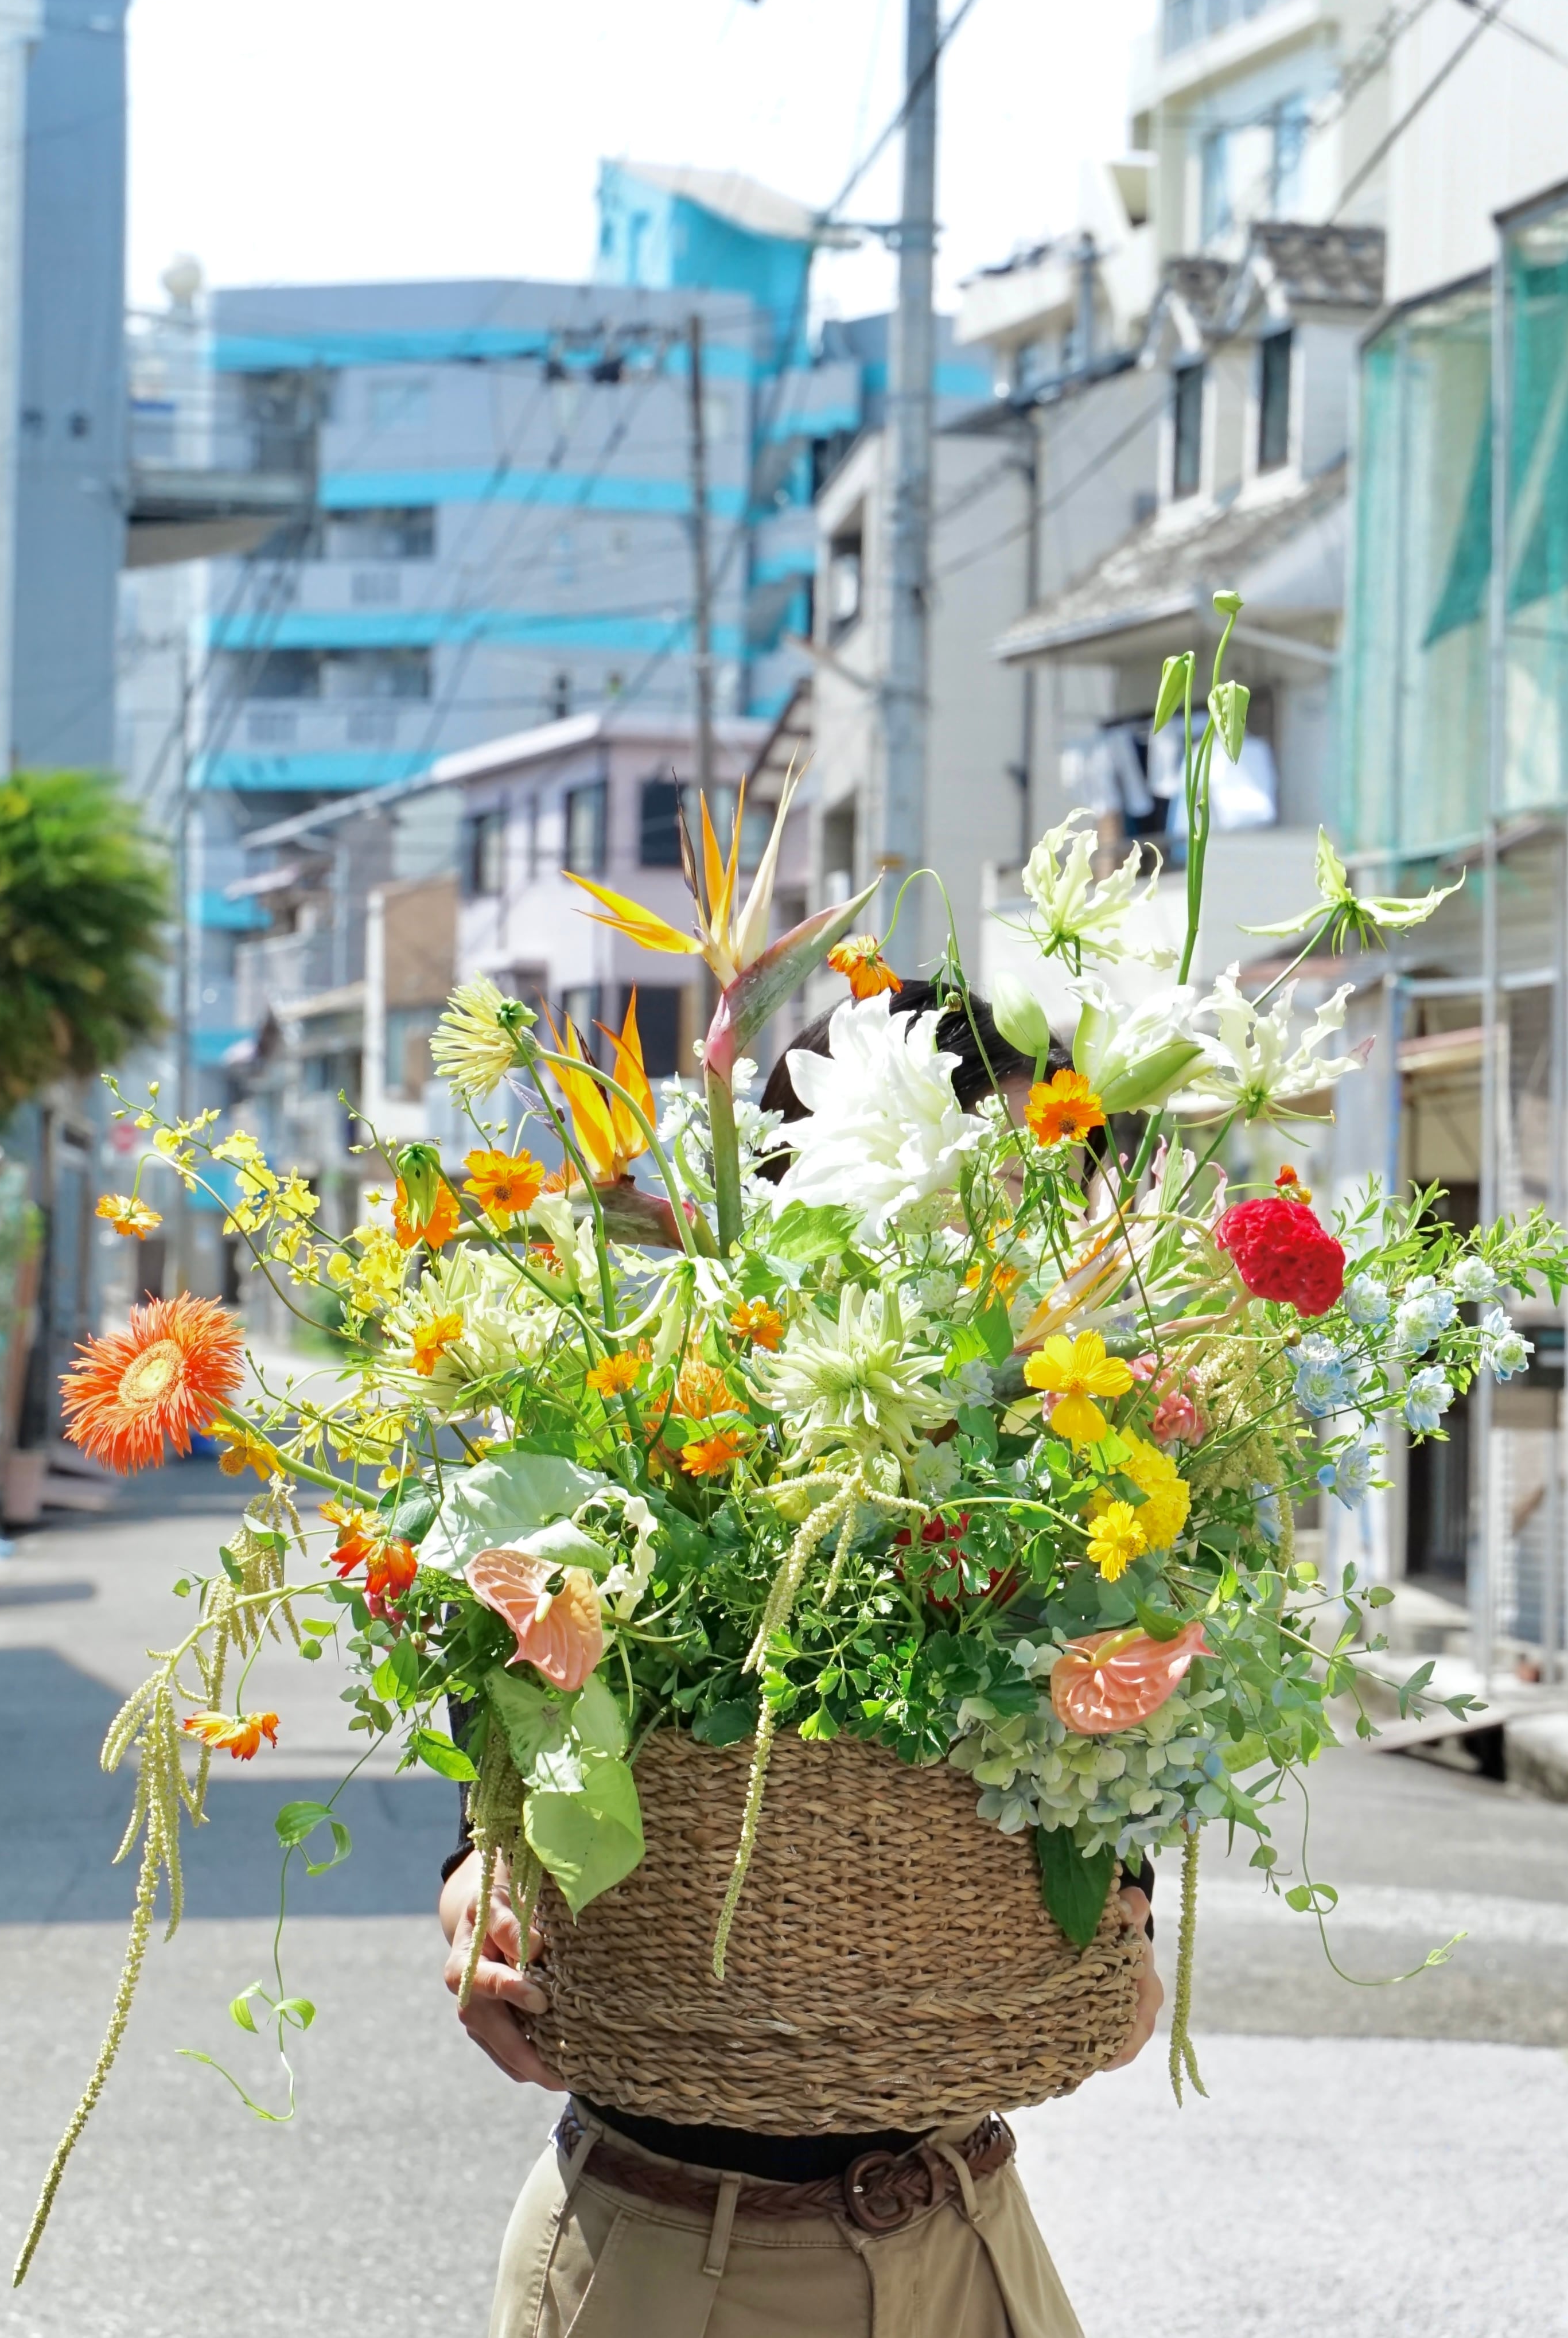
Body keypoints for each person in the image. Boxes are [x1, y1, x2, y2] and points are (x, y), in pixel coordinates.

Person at [438, 982, 1164, 2337]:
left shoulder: (1070, 1462)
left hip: (966, 2229)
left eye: (1034, 1204)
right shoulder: (672, 1393)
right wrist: (476, 1869)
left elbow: (1102, 1755)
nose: (1001, 1246)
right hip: (664, 2248)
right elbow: (535, 1666)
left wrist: (1125, 1916)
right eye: (966, 1195)